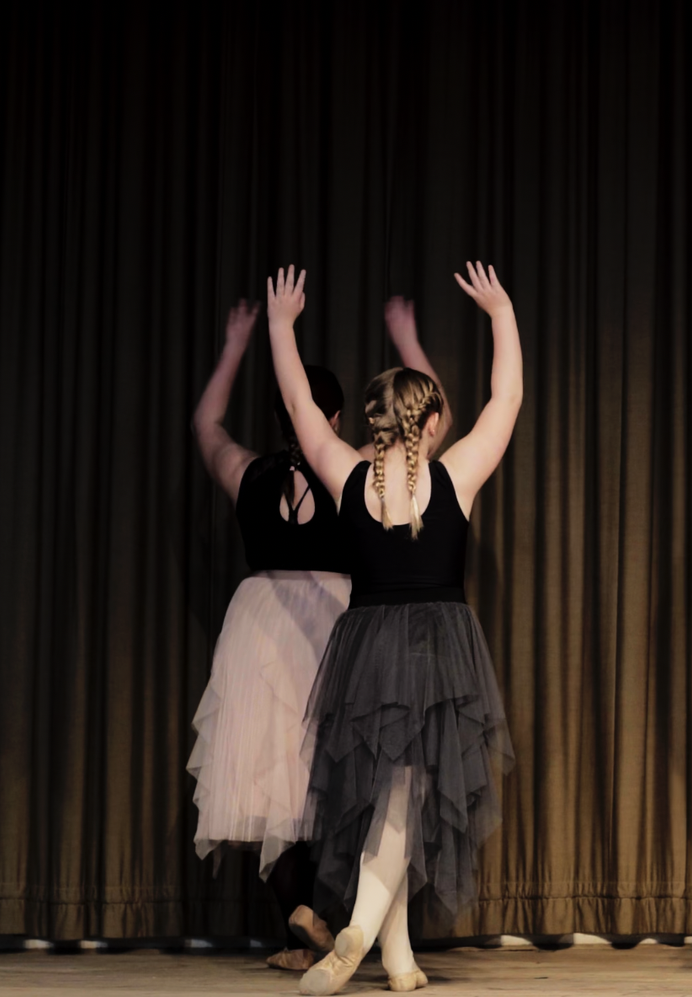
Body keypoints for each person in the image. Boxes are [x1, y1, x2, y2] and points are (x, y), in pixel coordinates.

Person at [268, 263, 524, 995]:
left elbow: (296, 400)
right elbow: (507, 396)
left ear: (377, 421)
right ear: (432, 421)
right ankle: (353, 933)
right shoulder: (456, 475)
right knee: (403, 796)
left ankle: (400, 956)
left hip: (369, 647)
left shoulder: (347, 475)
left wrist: (284, 327)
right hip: (434, 648)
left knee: (394, 796)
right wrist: (502, 312)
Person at [187, 294, 451, 969]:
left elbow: (206, 423)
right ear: (332, 416)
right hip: (335, 616)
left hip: (259, 617)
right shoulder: (355, 466)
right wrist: (407, 337)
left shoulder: (249, 471)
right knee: (340, 776)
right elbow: (431, 426)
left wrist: (237, 344)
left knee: (268, 780)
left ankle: (295, 927)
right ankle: (339, 920)